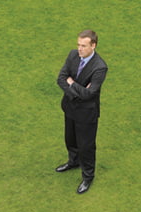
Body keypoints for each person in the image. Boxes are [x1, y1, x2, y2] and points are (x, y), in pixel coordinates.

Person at [56, 29, 108, 194]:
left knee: (86, 146)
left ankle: (88, 177)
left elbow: (90, 93)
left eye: (83, 46)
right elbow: (61, 78)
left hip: (86, 114)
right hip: (70, 108)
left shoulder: (100, 67)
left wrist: (71, 83)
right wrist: (76, 89)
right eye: (78, 45)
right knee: (70, 139)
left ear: (93, 46)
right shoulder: (73, 55)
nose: (79, 49)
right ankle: (73, 162)